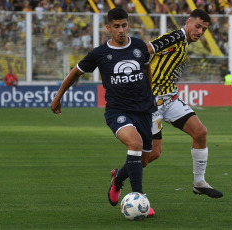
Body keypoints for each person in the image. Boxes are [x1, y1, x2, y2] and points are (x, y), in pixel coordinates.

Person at [50, 8, 156, 216]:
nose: (121, 30)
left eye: (124, 25)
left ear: (128, 25)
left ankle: (117, 178)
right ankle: (141, 201)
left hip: (144, 109)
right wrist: (58, 96)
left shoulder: (138, 46)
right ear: (108, 28)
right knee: (135, 144)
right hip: (118, 111)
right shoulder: (99, 54)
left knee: (142, 160)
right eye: (116, 26)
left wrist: (150, 93)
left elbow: (146, 69)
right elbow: (75, 72)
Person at [143, 9, 223, 198]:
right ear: (188, 22)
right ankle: (120, 176)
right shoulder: (176, 37)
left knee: (200, 132)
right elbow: (147, 49)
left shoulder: (184, 43)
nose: (200, 31)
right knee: (154, 153)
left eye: (204, 29)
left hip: (169, 98)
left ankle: (199, 182)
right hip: (153, 101)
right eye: (197, 26)